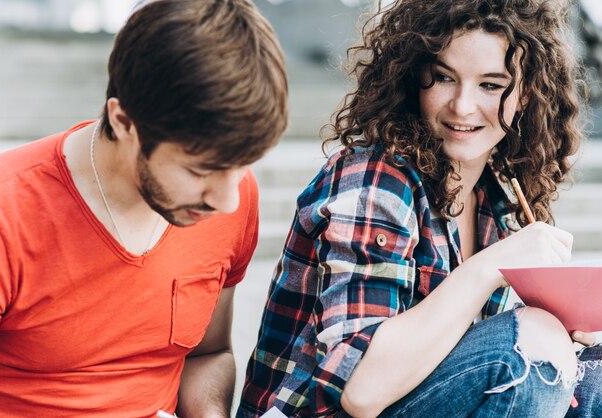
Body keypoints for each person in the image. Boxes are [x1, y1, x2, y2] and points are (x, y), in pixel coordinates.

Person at [238, 0, 602, 416]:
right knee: (526, 344)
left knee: (592, 372)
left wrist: (567, 329)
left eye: (491, 85)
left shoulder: (497, 203)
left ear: (525, 96)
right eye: (444, 78)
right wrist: (488, 269)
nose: (463, 106)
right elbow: (361, 392)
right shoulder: (376, 179)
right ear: (415, 78)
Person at [0, 0, 287, 416]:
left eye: (242, 166)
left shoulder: (231, 196)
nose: (227, 200)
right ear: (123, 121)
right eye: (199, 170)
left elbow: (206, 354)